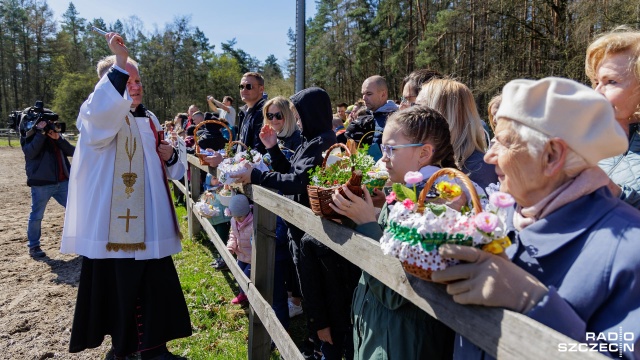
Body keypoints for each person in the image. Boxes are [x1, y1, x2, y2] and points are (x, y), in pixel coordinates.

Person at [430, 77, 640, 359]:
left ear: (552, 156)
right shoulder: (503, 217)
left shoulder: (630, 249)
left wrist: (533, 302)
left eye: (504, 143)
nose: (490, 156)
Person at [60, 32, 191, 359]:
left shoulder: (149, 119)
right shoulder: (96, 117)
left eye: (138, 80)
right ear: (108, 86)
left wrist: (170, 155)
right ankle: (123, 349)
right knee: (121, 290)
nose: (136, 85)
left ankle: (154, 349)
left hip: (150, 224)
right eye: (126, 80)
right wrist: (119, 62)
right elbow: (100, 112)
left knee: (154, 286)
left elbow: (169, 170)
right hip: (112, 230)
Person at [330, 106, 458, 360]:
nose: (383, 158)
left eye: (391, 149)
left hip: (401, 342)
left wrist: (367, 223)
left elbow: (396, 292)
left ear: (424, 153)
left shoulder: (439, 202)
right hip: (380, 331)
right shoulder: (404, 192)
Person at [232, 87, 337, 359]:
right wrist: (273, 149)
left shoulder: (323, 142)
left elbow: (299, 182)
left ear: (311, 113)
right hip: (297, 228)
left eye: (298, 114)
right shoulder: (310, 141)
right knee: (306, 288)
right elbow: (291, 172)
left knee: (315, 294)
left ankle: (321, 347)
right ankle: (315, 343)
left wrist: (257, 177)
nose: (297, 121)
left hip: (310, 232)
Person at [585, 28, 640, 208]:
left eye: (611, 82)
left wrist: (615, 192)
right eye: (596, 81)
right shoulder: (584, 139)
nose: (597, 92)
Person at [261, 95, 303, 326]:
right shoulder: (273, 138)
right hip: (274, 204)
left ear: (288, 115)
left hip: (291, 207)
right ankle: (289, 299)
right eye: (270, 115)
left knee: (290, 256)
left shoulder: (297, 140)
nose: (274, 119)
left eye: (278, 114)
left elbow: (290, 176)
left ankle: (295, 301)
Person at [417, 78, 497, 189]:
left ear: (442, 115)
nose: (413, 116)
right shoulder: (429, 161)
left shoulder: (480, 167)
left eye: (420, 109)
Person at [19, 103, 75, 258]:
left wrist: (58, 139)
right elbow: (30, 153)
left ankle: (80, 241)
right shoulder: (28, 134)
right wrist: (39, 133)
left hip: (62, 181)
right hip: (41, 184)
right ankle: (34, 246)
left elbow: (72, 152)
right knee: (36, 215)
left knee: (76, 211)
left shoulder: (54, 134)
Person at [346, 76, 398, 150]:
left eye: (369, 94)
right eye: (363, 94)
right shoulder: (366, 115)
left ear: (383, 94)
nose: (364, 98)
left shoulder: (396, 119)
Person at [226, 194, 253, 305]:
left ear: (247, 212)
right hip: (241, 254)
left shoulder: (253, 223)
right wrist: (231, 246)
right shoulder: (234, 221)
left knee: (246, 277)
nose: (237, 219)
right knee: (238, 275)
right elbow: (233, 234)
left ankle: (250, 296)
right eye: (235, 217)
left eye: (240, 217)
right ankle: (242, 295)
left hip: (252, 257)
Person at [237, 72, 267, 154]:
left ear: (261, 89)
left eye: (248, 86)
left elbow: (259, 150)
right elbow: (240, 144)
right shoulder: (243, 112)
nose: (244, 90)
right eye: (241, 86)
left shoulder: (265, 112)